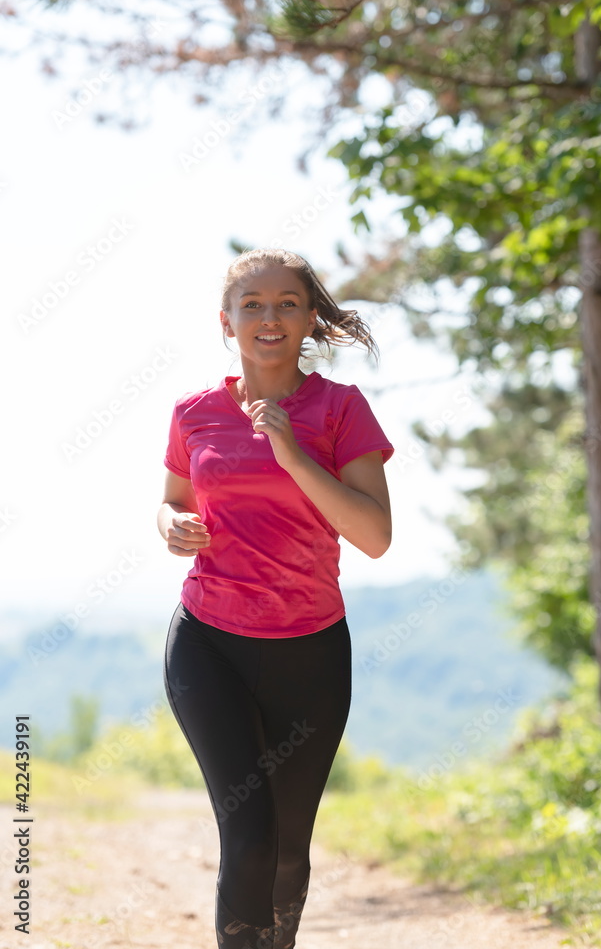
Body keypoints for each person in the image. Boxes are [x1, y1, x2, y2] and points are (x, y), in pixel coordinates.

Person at [158, 247, 394, 948]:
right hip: (208, 641)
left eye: (287, 303)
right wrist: (170, 525)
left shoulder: (340, 410)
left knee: (290, 851)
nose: (269, 316)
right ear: (226, 322)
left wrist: (293, 455)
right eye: (251, 304)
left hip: (310, 653)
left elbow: (374, 535)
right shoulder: (194, 413)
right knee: (251, 840)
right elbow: (172, 498)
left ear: (310, 317)